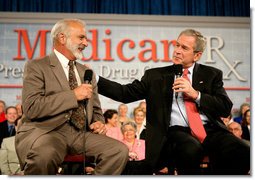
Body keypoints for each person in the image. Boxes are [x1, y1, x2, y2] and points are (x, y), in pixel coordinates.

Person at [97, 29, 250, 175]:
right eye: (177, 45)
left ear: (197, 55)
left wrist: (196, 94)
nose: (177, 50)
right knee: (190, 150)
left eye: (184, 47)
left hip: (210, 130)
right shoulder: (155, 76)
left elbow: (224, 107)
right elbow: (124, 93)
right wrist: (95, 79)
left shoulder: (211, 74)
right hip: (176, 132)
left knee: (243, 150)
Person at [15, 18, 128, 175]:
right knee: (45, 156)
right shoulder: (37, 66)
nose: (86, 43)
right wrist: (73, 95)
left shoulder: (86, 72)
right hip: (46, 131)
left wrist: (98, 123)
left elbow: (95, 109)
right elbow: (32, 108)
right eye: (81, 37)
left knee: (118, 151)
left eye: (86, 38)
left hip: (80, 135)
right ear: (62, 38)